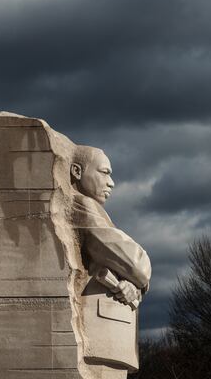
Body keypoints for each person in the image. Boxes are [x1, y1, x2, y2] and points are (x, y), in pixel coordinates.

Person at [69, 145, 151, 375]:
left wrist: (135, 286)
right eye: (104, 172)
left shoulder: (94, 211)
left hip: (109, 334)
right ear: (76, 171)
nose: (112, 182)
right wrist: (140, 278)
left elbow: (132, 272)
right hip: (101, 332)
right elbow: (137, 264)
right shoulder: (82, 206)